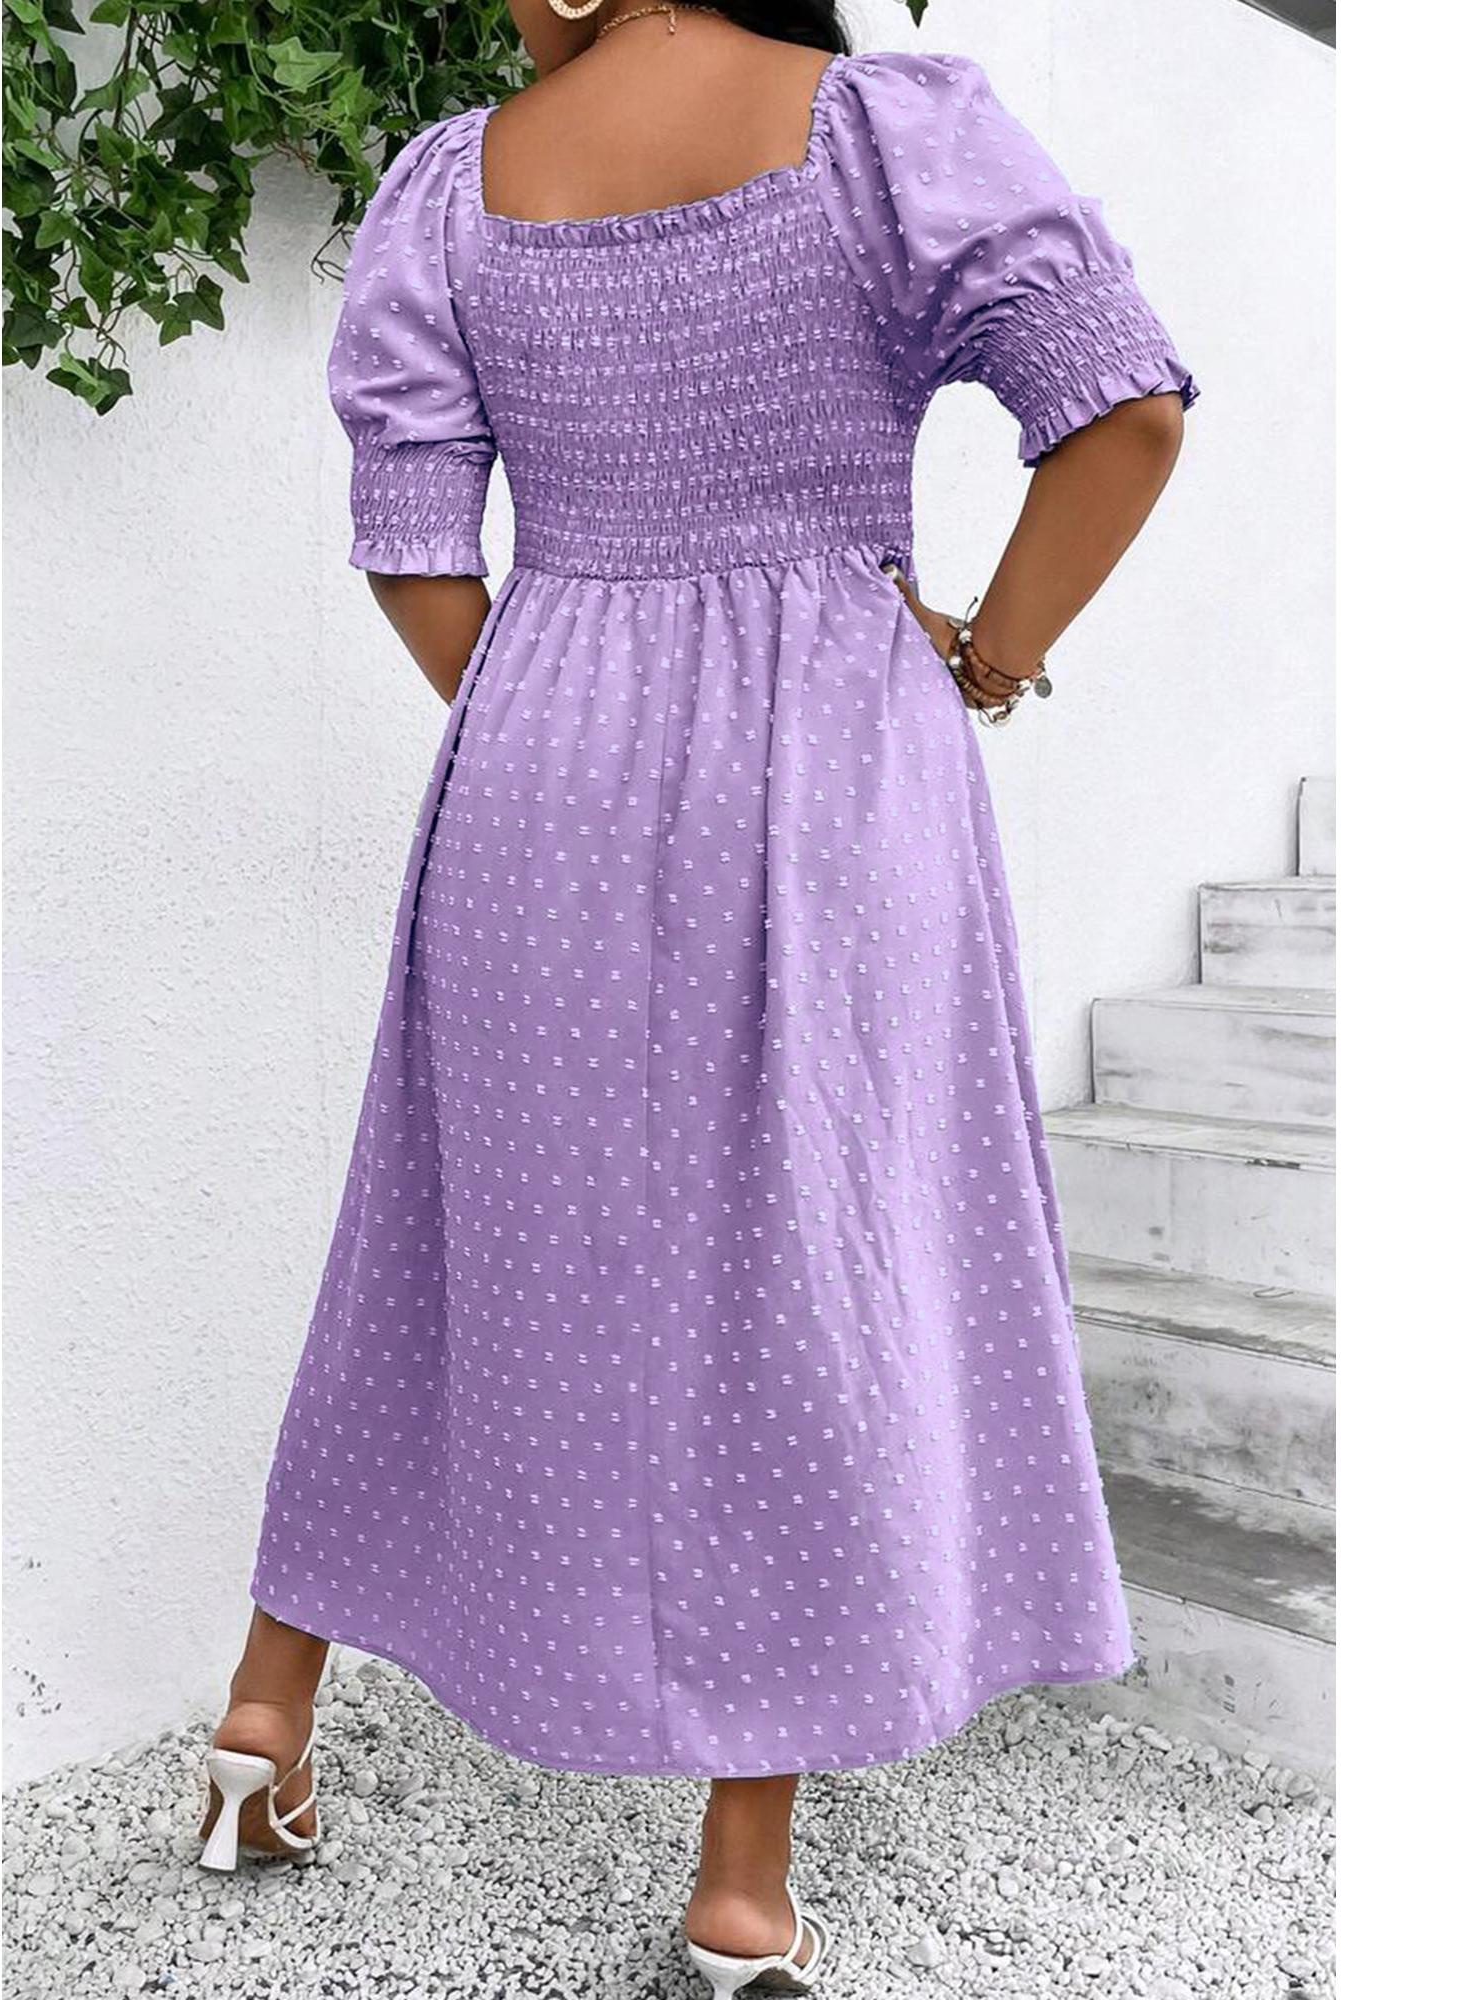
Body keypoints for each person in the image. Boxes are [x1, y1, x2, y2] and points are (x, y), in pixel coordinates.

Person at [198, 4, 1193, 1991]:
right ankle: (740, 1893)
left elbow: (414, 545)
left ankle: (259, 1720)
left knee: (438, 1240)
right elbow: (1125, 412)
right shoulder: (879, 133)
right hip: (833, 766)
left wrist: (559, 705)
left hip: (536, 770)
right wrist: (984, 663)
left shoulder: (450, 189)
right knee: (795, 1271)